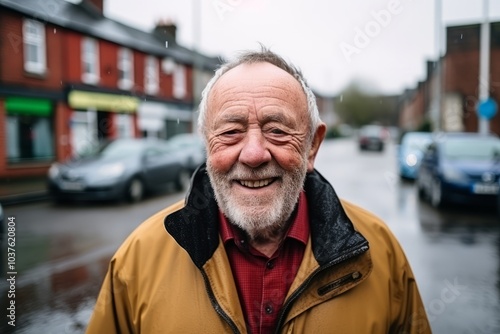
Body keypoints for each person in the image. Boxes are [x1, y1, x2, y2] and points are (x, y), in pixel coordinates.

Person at [86, 47, 431, 334]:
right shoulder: (139, 259)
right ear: (207, 145)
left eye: (277, 130)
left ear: (312, 146)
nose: (253, 154)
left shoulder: (380, 253)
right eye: (231, 131)